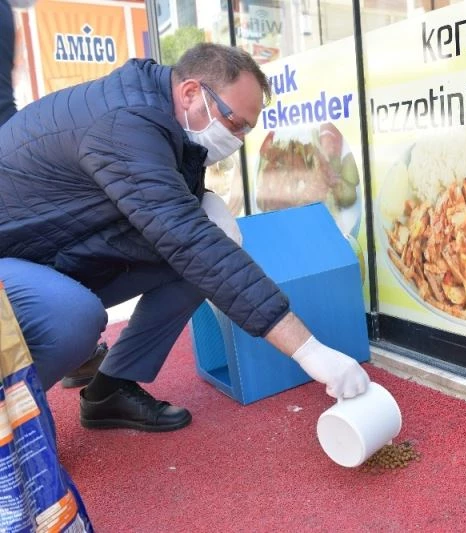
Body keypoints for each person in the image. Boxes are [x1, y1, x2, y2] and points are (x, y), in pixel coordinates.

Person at [0, 43, 370, 432]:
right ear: (192, 92)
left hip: (49, 248)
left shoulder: (165, 116)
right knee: (72, 317)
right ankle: (13, 429)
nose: (239, 139)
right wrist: (309, 351)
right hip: (13, 260)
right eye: (234, 122)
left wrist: (201, 200)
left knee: (197, 257)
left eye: (247, 128)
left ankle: (109, 389)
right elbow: (187, 239)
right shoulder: (123, 122)